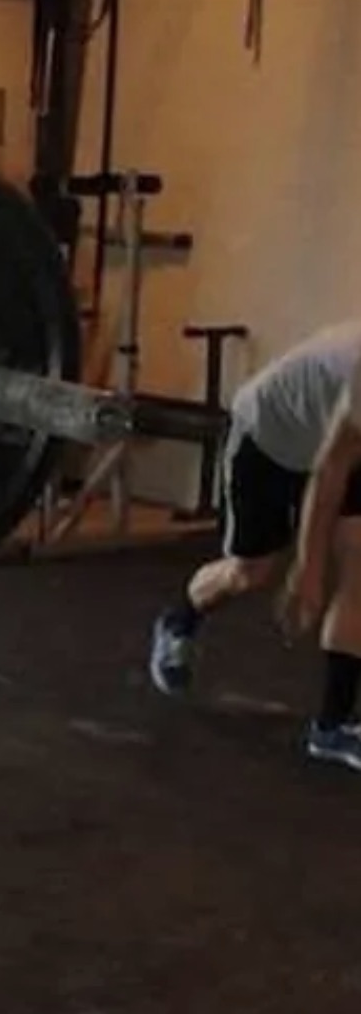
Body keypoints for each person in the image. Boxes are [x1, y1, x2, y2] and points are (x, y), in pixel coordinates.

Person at [147, 319, 361, 769]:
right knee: (252, 572)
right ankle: (180, 620)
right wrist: (308, 568)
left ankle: (332, 728)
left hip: (337, 439)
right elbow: (328, 474)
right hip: (271, 439)